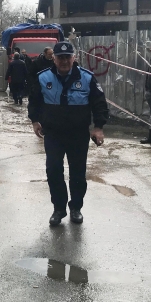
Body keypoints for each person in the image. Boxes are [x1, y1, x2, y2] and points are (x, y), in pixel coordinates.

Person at [28, 41, 109, 226]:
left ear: (74, 58)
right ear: (54, 59)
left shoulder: (87, 78)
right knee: (53, 170)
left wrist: (98, 127)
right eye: (60, 57)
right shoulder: (43, 77)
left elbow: (99, 104)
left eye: (67, 57)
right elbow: (34, 101)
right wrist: (34, 121)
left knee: (78, 173)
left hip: (78, 134)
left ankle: (76, 208)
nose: (64, 61)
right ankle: (59, 208)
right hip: (53, 134)